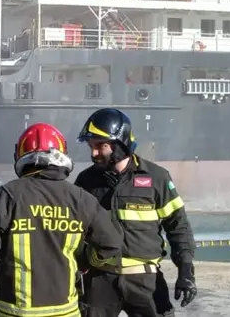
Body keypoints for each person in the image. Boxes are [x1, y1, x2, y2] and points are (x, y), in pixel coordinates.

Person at [0, 123, 124, 317]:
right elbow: (111, 243)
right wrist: (84, 262)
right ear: (62, 155)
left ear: (21, 155)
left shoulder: (8, 194)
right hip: (65, 309)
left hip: (17, 310)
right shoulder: (81, 198)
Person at [74, 108, 198, 317]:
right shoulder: (86, 181)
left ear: (119, 144)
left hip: (146, 283)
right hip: (99, 281)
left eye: (99, 146)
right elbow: (73, 231)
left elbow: (179, 227)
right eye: (91, 147)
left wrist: (186, 271)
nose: (93, 153)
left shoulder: (157, 178)